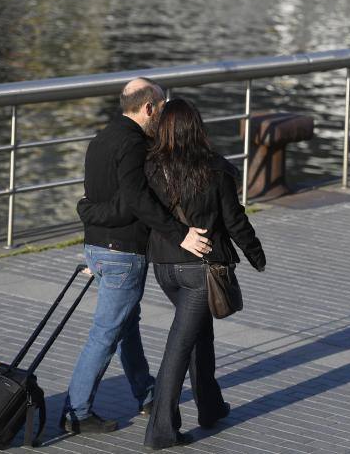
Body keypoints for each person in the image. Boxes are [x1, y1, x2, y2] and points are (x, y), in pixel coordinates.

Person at [62, 78, 212, 434]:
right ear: (149, 108)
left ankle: (146, 394)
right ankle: (76, 412)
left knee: (127, 326)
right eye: (162, 106)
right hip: (121, 252)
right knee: (106, 333)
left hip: (99, 247)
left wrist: (88, 217)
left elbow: (98, 197)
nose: (164, 112)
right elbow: (137, 200)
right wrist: (181, 235)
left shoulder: (102, 138)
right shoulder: (133, 144)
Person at [142, 98, 266, 449]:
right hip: (200, 271)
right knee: (178, 348)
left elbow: (145, 211)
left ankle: (210, 407)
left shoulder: (151, 167)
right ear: (196, 127)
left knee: (200, 335)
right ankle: (161, 431)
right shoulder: (214, 169)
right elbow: (235, 219)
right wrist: (255, 254)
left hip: (164, 268)